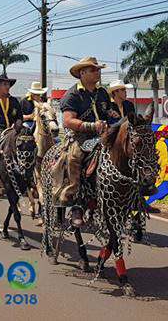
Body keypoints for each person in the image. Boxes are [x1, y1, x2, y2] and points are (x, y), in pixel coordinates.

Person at [58, 57, 110, 226]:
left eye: (98, 70)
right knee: (74, 157)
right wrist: (91, 125)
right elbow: (68, 120)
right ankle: (74, 201)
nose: (98, 73)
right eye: (94, 70)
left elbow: (107, 113)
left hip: (103, 135)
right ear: (82, 73)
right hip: (81, 137)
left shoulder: (102, 93)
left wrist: (112, 119)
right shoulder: (72, 94)